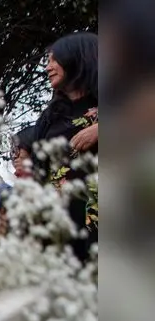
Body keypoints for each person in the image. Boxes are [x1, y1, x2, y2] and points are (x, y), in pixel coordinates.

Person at [32, 31, 99, 262]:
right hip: (62, 228)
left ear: (78, 57)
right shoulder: (50, 117)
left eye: (54, 59)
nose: (48, 67)